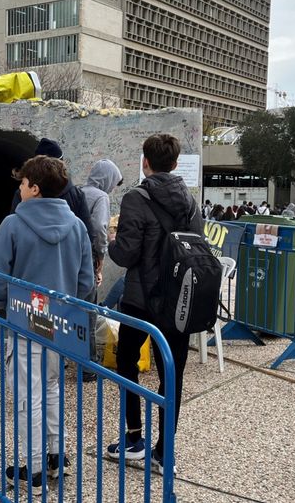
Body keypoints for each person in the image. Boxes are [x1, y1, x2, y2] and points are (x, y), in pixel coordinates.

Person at [0, 155, 95, 487]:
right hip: (60, 325)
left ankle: (33, 467)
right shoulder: (77, 226)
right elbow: (86, 282)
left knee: (25, 396)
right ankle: (56, 455)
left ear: (33, 188)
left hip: (24, 322)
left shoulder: (12, 225)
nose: (19, 188)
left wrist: (7, 305)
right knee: (51, 388)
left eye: (22, 183)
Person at [105, 133, 201, 476]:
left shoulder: (136, 198)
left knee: (127, 364)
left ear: (145, 161)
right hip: (179, 303)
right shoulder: (190, 202)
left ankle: (134, 438)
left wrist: (112, 242)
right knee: (171, 376)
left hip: (140, 301)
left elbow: (127, 253)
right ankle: (165, 451)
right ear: (175, 164)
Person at [10, 138, 95, 246]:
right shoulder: (76, 197)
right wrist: (95, 255)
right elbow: (88, 237)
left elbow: (9, 242)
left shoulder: (24, 194)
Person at [79, 159, 123, 286]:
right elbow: (99, 228)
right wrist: (101, 257)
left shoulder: (78, 190)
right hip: (88, 256)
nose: (113, 188)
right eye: (114, 183)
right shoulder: (101, 197)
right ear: (107, 179)